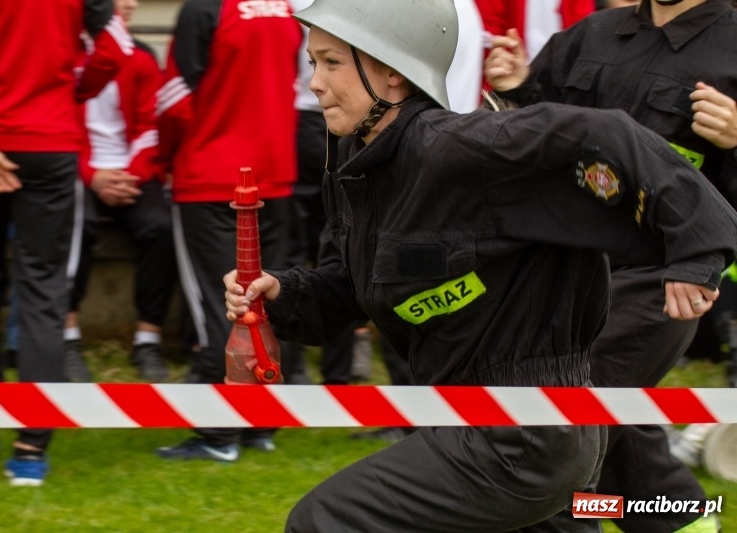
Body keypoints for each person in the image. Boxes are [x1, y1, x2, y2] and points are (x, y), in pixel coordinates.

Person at [223, 0, 737, 530]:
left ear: (393, 73)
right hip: (468, 423)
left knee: (325, 520)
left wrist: (698, 247)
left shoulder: (468, 150)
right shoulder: (357, 169)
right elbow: (346, 291)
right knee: (581, 501)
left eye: (332, 63)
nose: (313, 84)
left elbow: (609, 135)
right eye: (312, 63)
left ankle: (685, 517)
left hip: (522, 432)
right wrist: (279, 293)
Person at [484, 1, 737, 530]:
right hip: (569, 273)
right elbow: (544, 127)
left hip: (664, 280)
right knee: (612, 431)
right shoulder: (592, 34)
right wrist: (518, 85)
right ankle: (686, 523)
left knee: (557, 433)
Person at [0, 0, 132, 486]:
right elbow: (114, 47)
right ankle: (30, 447)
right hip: (50, 143)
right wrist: (70, 92)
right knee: (44, 293)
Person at [154, 0, 300, 461]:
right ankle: (260, 423)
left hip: (210, 175)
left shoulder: (204, 7)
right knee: (267, 303)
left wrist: (161, 160)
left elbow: (176, 98)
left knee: (220, 306)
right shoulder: (286, 9)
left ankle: (217, 433)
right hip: (273, 171)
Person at [65, 0, 176, 383]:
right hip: (77, 171)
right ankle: (68, 336)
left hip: (131, 171)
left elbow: (150, 123)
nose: (130, 3)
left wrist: (128, 174)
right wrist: (92, 174)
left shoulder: (141, 56)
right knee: (75, 227)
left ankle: (147, 340)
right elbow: (61, 122)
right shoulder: (68, 52)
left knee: (161, 229)